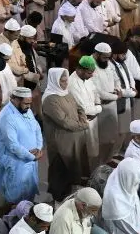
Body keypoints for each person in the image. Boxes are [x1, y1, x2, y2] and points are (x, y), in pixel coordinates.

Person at [38, 68, 91, 200]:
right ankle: (58, 197)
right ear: (54, 80)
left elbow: (80, 108)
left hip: (74, 138)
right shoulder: (50, 99)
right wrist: (83, 125)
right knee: (60, 168)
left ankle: (71, 193)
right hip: (60, 141)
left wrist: (82, 119)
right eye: (62, 81)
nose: (65, 84)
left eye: (66, 80)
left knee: (74, 167)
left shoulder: (66, 93)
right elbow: (64, 122)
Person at [0, 86, 43, 204]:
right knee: (14, 199)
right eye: (26, 103)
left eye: (30, 103)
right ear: (15, 100)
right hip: (15, 163)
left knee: (29, 196)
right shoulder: (7, 116)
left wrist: (38, 147)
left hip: (30, 162)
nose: (29, 106)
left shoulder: (27, 110)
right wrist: (32, 156)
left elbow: (37, 128)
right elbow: (12, 145)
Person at [99, 157, 140, 234]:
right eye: (136, 181)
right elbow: (126, 227)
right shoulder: (114, 198)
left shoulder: (126, 184)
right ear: (129, 177)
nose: (137, 184)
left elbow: (137, 207)